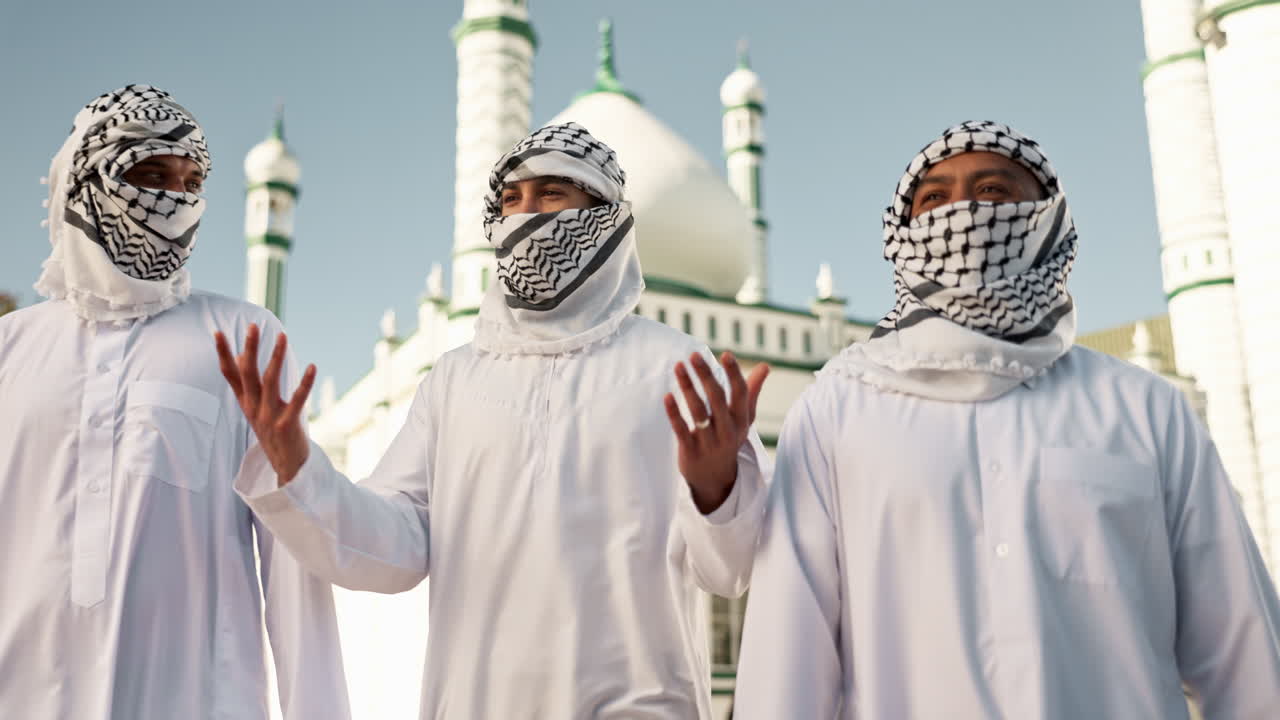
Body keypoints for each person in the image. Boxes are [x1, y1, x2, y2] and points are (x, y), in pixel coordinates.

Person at [217, 122, 771, 719]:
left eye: (552, 194)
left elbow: (732, 571)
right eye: (511, 199)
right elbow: (392, 547)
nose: (526, 214)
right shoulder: (457, 379)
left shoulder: (675, 367)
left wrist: (716, 491)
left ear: (605, 217)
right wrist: (298, 469)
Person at [732, 120, 1280, 719]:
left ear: (1046, 221)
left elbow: (1243, 655)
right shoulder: (839, 409)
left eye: (992, 191)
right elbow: (788, 657)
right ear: (903, 232)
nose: (963, 212)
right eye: (934, 198)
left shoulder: (1144, 409)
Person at [0, 85, 350, 719]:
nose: (175, 199)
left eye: (191, 183)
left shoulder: (241, 335)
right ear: (90, 180)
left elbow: (293, 561)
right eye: (152, 176)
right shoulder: (11, 347)